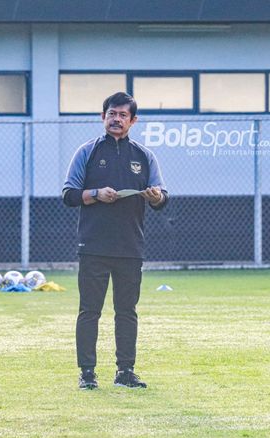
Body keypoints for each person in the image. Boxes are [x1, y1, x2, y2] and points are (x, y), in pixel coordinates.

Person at [62, 92, 168, 390]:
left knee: (126, 311)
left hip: (130, 248)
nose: (116, 119)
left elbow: (162, 198)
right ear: (102, 117)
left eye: (123, 115)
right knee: (89, 311)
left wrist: (156, 196)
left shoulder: (144, 156)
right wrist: (96, 195)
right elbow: (69, 195)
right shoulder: (87, 152)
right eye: (112, 114)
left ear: (133, 121)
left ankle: (125, 372)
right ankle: (87, 373)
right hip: (93, 246)